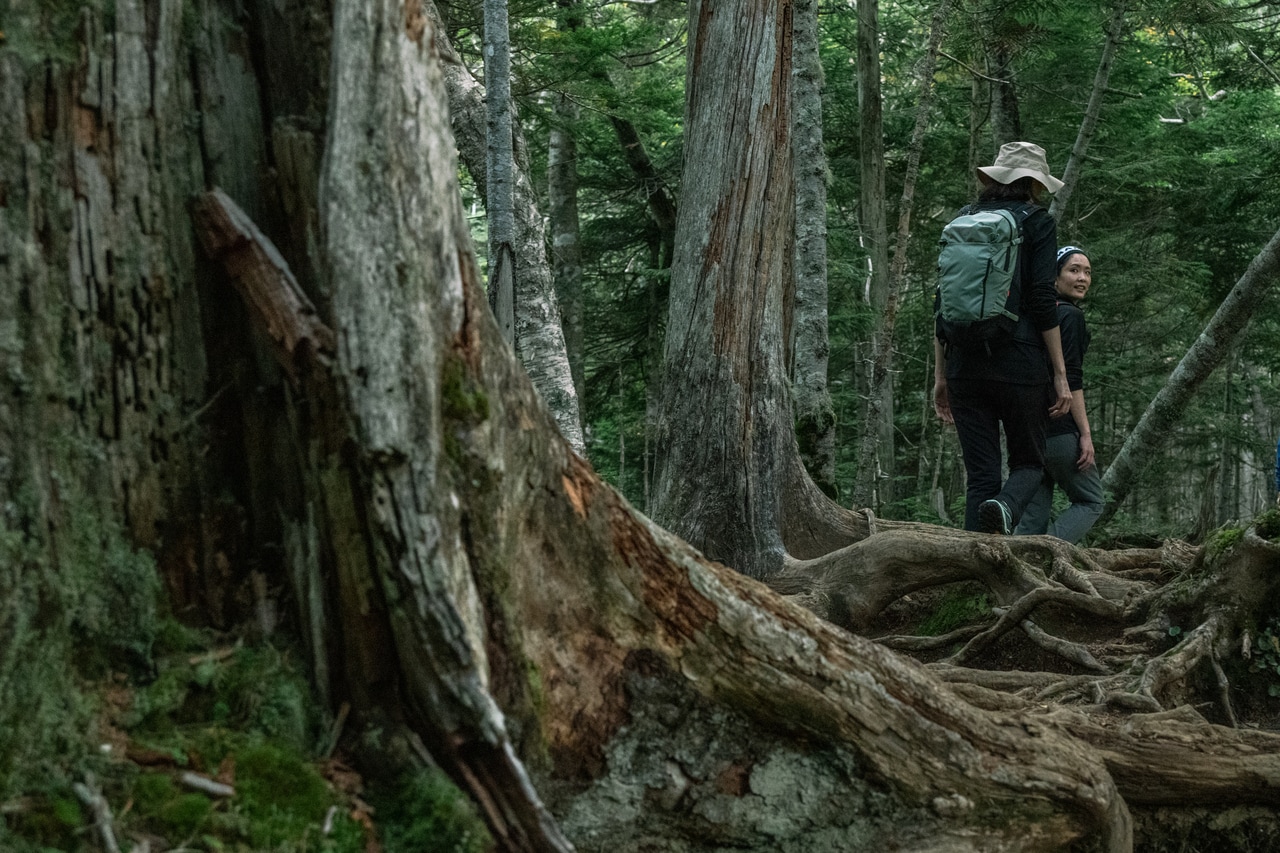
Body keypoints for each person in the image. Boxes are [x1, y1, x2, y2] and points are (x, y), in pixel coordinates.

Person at [934, 142, 1073, 534]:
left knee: (981, 476)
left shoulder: (963, 219)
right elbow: (1043, 300)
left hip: (963, 364)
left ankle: (970, 573)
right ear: (1035, 184)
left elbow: (940, 304)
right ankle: (1006, 505)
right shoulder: (1037, 221)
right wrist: (1060, 374)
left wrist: (941, 377)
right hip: (1019, 363)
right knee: (1029, 463)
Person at [1015, 246, 1105, 543]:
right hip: (1060, 428)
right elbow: (1071, 379)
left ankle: (1018, 567)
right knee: (1091, 501)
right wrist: (1085, 434)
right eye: (1074, 270)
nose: (1082, 278)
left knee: (1032, 517)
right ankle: (1048, 554)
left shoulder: (1034, 315)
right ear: (1054, 278)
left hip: (1028, 430)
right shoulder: (1070, 317)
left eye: (1088, 272)